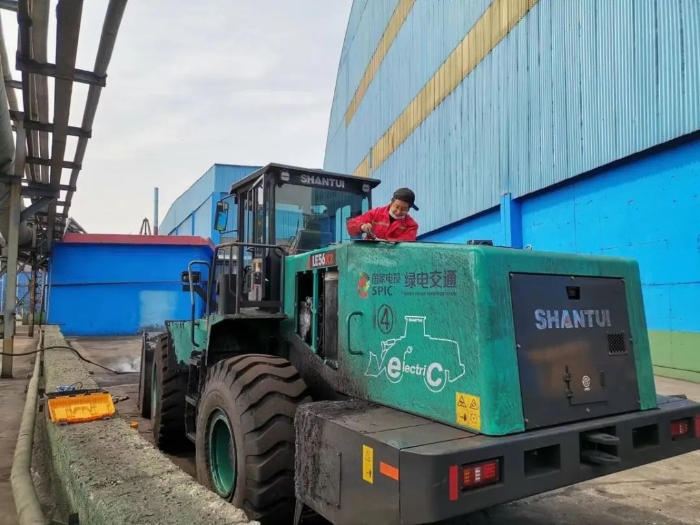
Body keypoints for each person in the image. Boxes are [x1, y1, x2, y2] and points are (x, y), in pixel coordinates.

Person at [346, 187, 419, 241]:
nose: (398, 212)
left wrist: (387, 242)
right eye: (396, 207)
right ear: (391, 203)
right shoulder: (375, 214)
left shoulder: (411, 226)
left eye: (403, 209)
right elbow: (350, 225)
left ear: (408, 209)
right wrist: (361, 226)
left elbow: (406, 243)